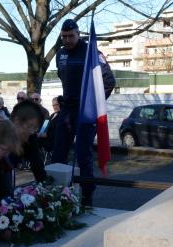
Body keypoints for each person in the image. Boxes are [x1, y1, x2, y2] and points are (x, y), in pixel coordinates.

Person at [52, 19, 116, 207]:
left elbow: (109, 81)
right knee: (58, 155)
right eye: (64, 37)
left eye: (71, 36)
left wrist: (93, 105)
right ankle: (56, 197)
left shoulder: (92, 52)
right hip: (67, 110)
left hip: (86, 111)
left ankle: (87, 197)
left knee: (83, 156)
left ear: (79, 34)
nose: (67, 40)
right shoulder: (60, 54)